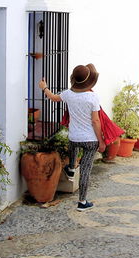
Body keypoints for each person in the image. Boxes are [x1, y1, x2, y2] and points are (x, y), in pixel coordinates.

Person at [38, 63, 105, 211]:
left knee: (73, 146)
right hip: (90, 140)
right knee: (86, 171)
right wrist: (101, 141)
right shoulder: (93, 97)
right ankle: (82, 202)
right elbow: (95, 121)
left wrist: (44, 87)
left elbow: (54, 98)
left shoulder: (68, 94)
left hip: (74, 137)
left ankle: (71, 168)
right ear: (89, 81)